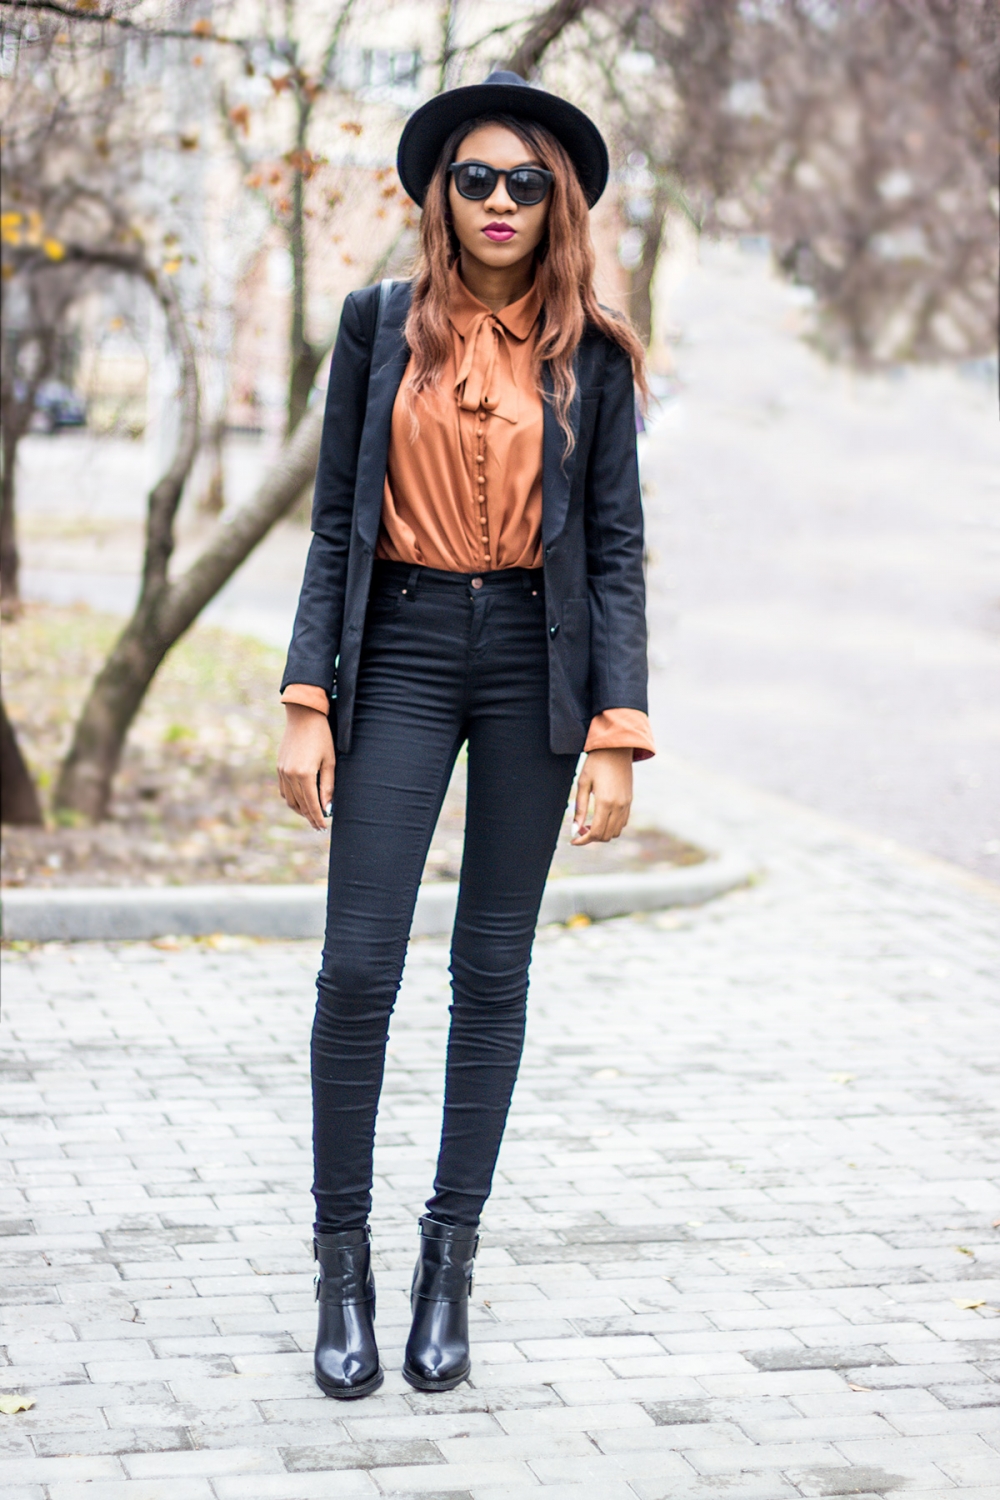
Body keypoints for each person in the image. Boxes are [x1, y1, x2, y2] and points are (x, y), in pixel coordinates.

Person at [277, 70, 655, 1400]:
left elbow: (613, 549)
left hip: (534, 667)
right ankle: (343, 1276)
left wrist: (615, 729)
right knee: (358, 969)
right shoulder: (377, 327)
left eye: (527, 182)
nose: (501, 201)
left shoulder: (595, 359)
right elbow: (335, 525)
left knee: (491, 975)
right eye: (478, 179)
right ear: (442, 196)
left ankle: (450, 1267)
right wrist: (307, 699)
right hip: (403, 652)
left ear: (559, 206)